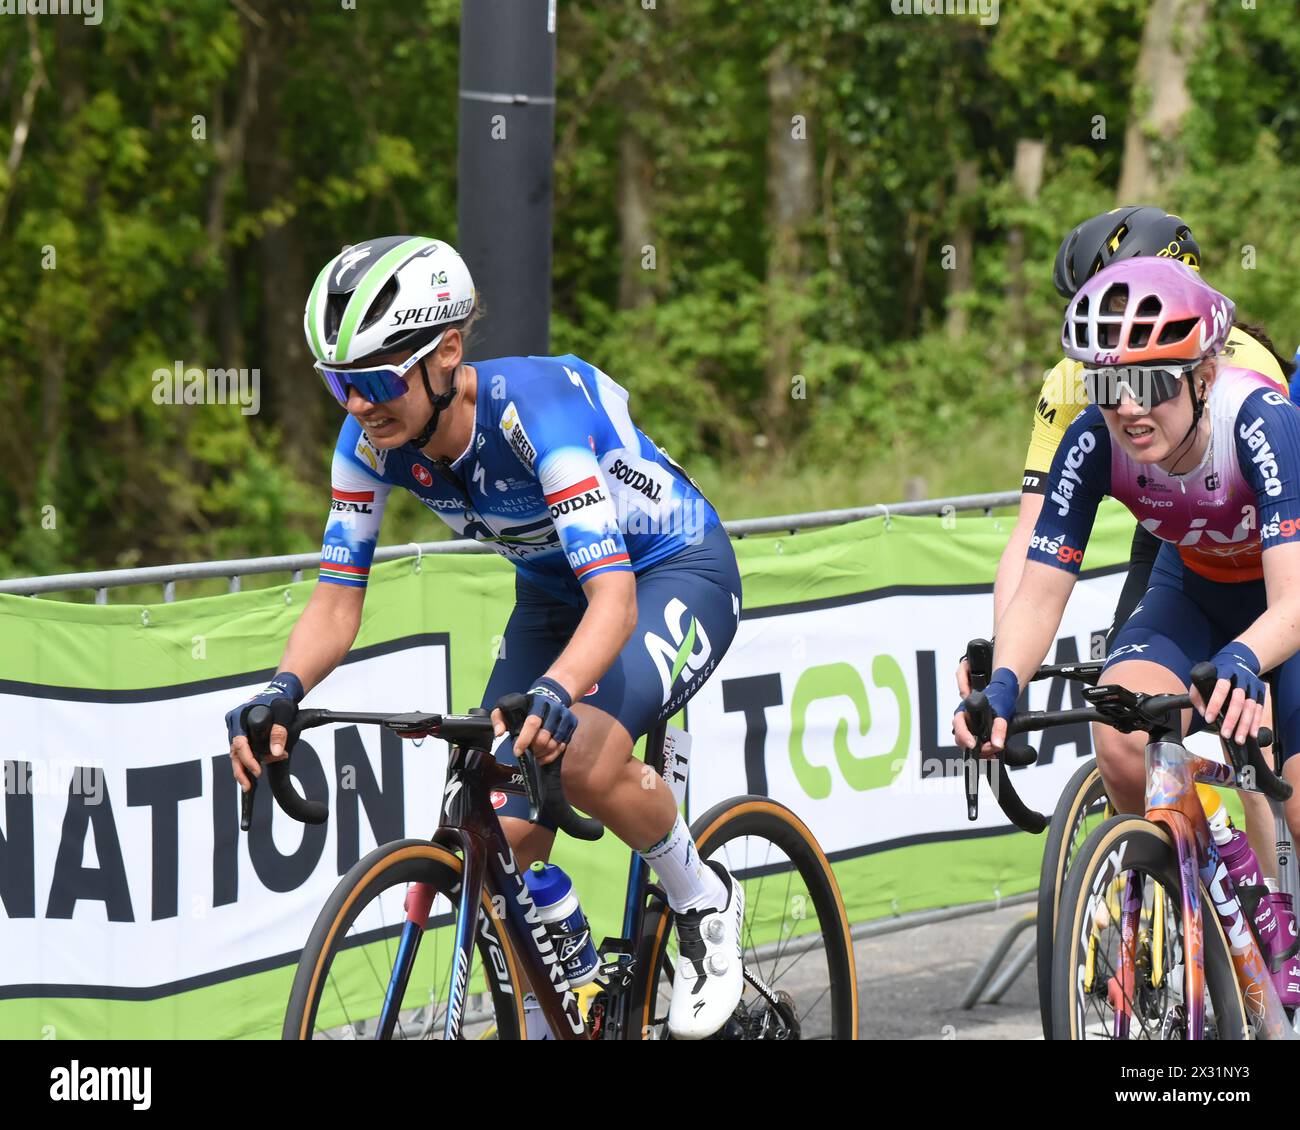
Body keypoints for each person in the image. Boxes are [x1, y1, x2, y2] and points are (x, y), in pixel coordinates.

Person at [223, 236, 744, 1039]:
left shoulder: (537, 416)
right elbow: (336, 601)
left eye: (373, 381)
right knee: (491, 838)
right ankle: (559, 963)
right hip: (550, 593)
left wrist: (560, 691)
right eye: (339, 384)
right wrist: (280, 691)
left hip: (670, 570)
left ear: (448, 353)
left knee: (581, 753)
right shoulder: (369, 444)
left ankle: (703, 899)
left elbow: (613, 601)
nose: (358, 405)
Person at [953, 256, 1300, 1005]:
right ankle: (1211, 913)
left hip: (1287, 602)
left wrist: (1245, 658)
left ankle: (1276, 904)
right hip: (1197, 586)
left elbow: (1291, 603)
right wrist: (1003, 686)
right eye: (1109, 384)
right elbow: (1042, 589)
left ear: (1202, 377)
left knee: (1298, 794)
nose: (1128, 408)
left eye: (1150, 382)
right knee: (1118, 727)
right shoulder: (1093, 441)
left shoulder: (1259, 420)